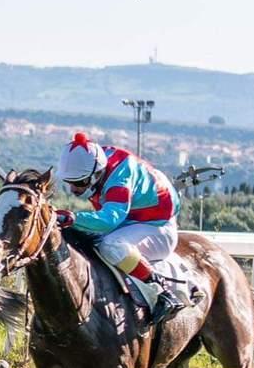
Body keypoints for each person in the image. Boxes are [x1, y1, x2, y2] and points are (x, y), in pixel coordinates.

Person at [54, 131, 184, 324]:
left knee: (110, 245)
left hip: (157, 226)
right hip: (132, 220)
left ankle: (160, 292)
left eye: (79, 182)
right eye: (69, 182)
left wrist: (73, 218)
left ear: (96, 174)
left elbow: (109, 220)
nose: (73, 189)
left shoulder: (119, 178)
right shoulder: (95, 161)